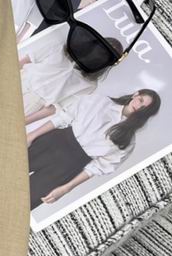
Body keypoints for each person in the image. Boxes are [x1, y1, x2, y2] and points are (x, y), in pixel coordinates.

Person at [26, 88, 160, 209]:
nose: (138, 106)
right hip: (51, 143)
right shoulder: (100, 101)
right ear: (135, 94)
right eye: (140, 100)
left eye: (144, 108)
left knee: (25, 199)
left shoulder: (128, 140)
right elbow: (64, 117)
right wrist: (32, 135)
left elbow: (97, 168)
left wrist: (66, 188)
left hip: (67, 166)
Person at [19, 33, 123, 125]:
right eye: (104, 47)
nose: (102, 53)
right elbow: (25, 60)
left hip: (34, 103)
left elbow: (55, 107)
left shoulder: (90, 84)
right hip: (20, 80)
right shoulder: (59, 46)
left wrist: (24, 121)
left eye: (107, 55)